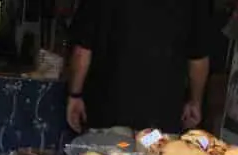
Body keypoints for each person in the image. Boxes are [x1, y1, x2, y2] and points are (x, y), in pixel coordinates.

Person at [66, 0, 212, 134]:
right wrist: (195, 101)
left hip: (107, 113)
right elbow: (198, 58)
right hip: (161, 119)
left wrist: (75, 94)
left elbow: (82, 50)